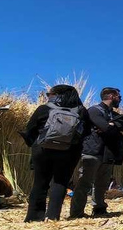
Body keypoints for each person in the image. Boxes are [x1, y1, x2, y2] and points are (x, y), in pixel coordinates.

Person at [21, 85, 89, 221]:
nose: (48, 96)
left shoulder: (44, 109)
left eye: (49, 94)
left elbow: (30, 130)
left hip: (42, 149)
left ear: (56, 95)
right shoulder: (81, 111)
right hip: (68, 151)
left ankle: (34, 217)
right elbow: (86, 133)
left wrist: (34, 144)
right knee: (60, 183)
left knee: (40, 183)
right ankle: (52, 216)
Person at [70, 87, 123, 218]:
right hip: (92, 151)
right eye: (119, 97)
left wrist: (112, 124)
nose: (120, 99)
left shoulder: (111, 113)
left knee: (102, 184)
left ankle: (99, 208)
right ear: (111, 96)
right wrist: (111, 125)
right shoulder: (94, 110)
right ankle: (76, 212)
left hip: (107, 153)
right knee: (84, 182)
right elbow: (105, 128)